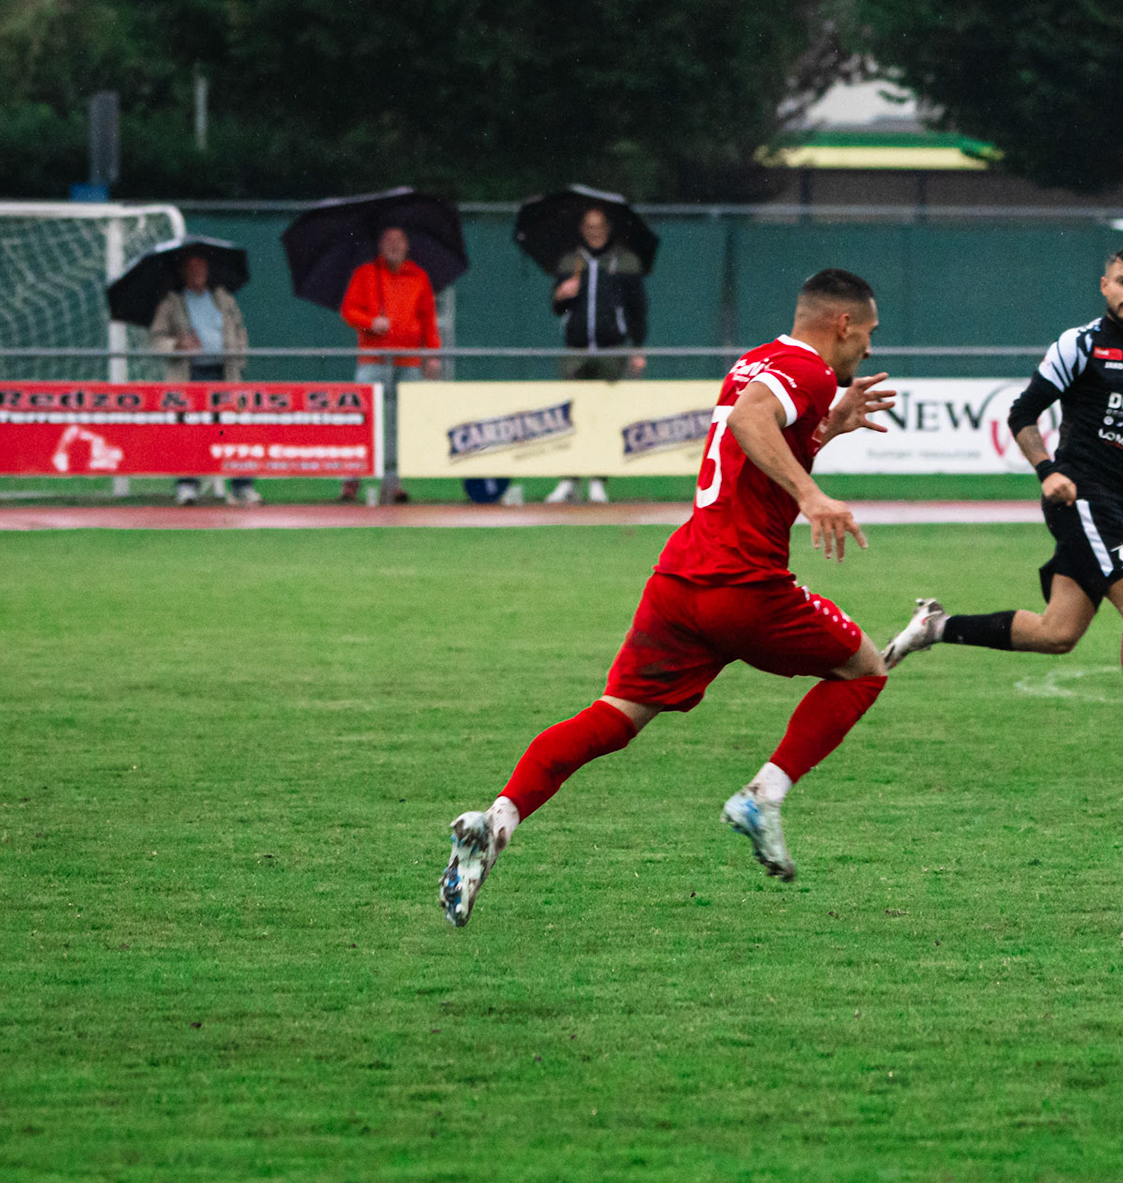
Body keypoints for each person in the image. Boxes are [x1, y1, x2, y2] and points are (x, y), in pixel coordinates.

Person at [439, 269, 897, 927]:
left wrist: (828, 431)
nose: (870, 351)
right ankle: (763, 796)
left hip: (681, 580)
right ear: (843, 324)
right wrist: (813, 495)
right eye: (870, 333)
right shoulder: (811, 369)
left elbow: (752, 437)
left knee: (614, 717)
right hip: (743, 586)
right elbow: (749, 422)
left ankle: (496, 820)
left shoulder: (754, 362)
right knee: (865, 668)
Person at [881, 246, 1123, 774]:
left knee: (1057, 633)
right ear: (1104, 285)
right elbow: (1022, 414)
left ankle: (936, 627)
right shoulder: (1079, 345)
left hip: (1114, 504)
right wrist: (1048, 471)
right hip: (1080, 497)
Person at [546, 206, 648, 504]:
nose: (595, 231)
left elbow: (637, 308)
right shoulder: (569, 260)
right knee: (572, 415)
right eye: (589, 226)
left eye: (600, 225)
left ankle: (598, 481)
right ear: (582, 228)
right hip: (575, 350)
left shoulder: (624, 261)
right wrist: (561, 294)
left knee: (604, 415)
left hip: (610, 349)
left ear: (607, 228)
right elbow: (556, 308)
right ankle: (568, 479)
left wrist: (638, 347)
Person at [337, 227, 441, 504]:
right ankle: (351, 480)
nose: (394, 245)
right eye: (388, 241)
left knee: (400, 422)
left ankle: (393, 481)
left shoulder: (418, 276)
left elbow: (428, 320)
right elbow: (348, 310)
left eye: (399, 241)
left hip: (407, 360)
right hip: (373, 359)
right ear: (380, 245)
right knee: (362, 418)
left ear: (407, 245)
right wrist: (371, 322)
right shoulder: (366, 274)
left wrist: (432, 355)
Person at [148, 252, 257, 506]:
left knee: (235, 429)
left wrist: (239, 353)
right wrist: (177, 344)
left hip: (225, 374)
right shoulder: (172, 303)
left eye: (202, 266)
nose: (199, 272)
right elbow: (156, 339)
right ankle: (187, 485)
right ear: (183, 271)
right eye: (193, 267)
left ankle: (242, 487)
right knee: (190, 431)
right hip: (191, 375)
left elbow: (240, 330)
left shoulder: (223, 299)